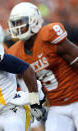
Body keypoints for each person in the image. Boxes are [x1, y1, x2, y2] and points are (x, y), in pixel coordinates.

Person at [7, 2, 78, 131]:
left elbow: (76, 57)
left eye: (21, 22)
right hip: (56, 106)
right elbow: (23, 82)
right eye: (15, 23)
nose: (18, 27)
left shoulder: (49, 35)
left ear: (34, 20)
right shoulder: (16, 52)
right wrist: (35, 102)